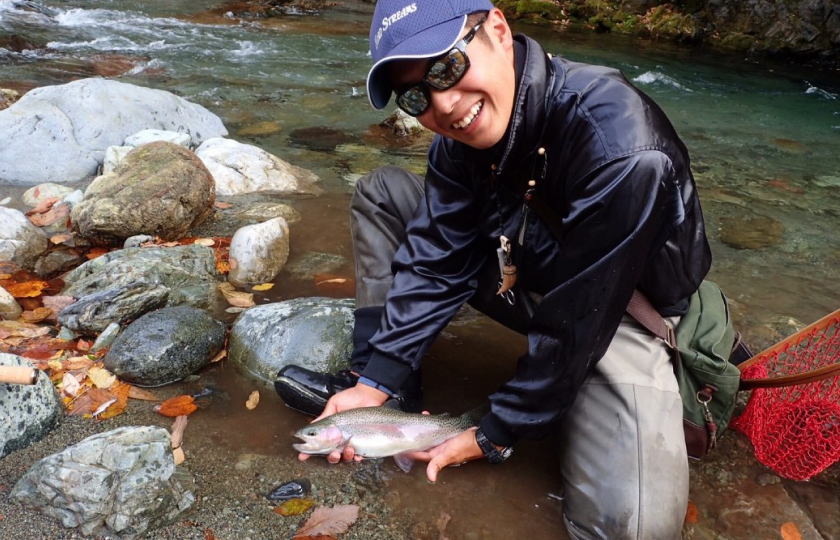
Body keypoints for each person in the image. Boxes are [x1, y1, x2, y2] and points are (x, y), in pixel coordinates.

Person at [275, 1, 711, 538]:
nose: (444, 105)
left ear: (499, 30)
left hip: (619, 312)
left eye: (446, 67)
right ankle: (395, 392)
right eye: (416, 96)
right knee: (383, 192)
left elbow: (580, 320)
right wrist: (376, 380)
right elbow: (437, 257)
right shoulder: (460, 140)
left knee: (633, 528)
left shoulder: (620, 143)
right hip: (529, 271)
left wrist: (495, 430)